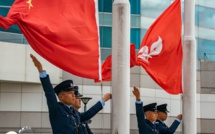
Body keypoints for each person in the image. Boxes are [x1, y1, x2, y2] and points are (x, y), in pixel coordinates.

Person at [30, 54, 112, 134]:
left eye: (73, 93)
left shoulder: (74, 113)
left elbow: (89, 113)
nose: (73, 95)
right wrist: (41, 70)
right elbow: (49, 93)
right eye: (70, 93)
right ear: (61, 97)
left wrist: (103, 100)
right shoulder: (57, 109)